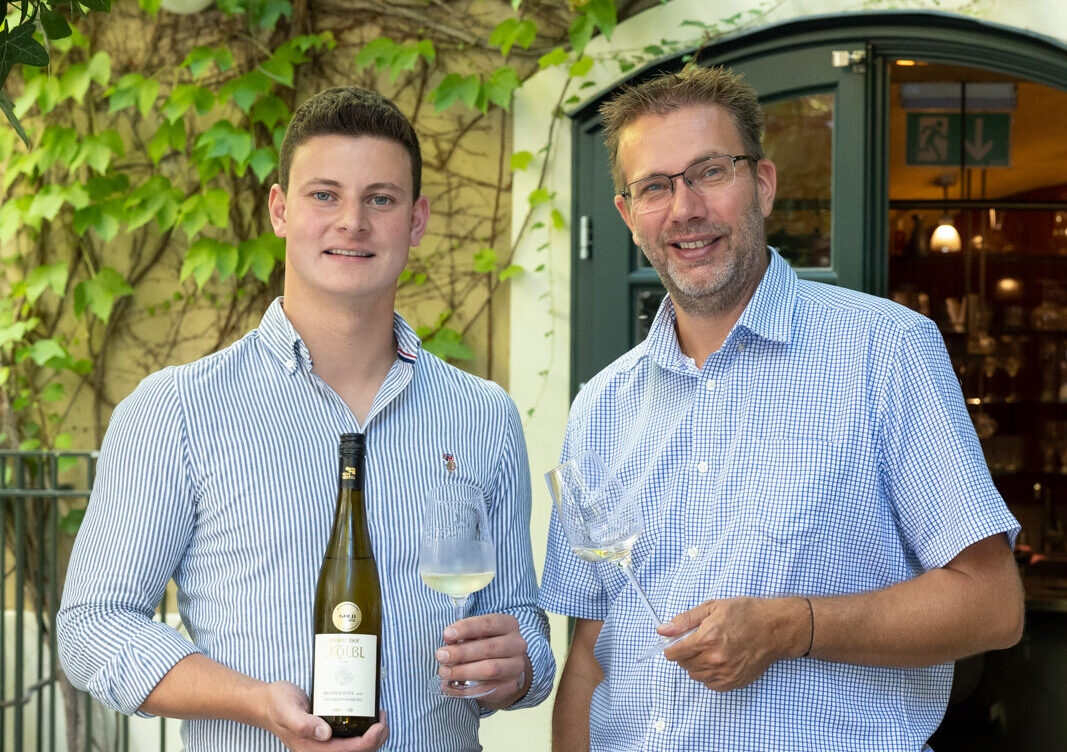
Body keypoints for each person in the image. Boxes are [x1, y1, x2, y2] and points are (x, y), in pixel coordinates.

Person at [539, 65, 1024, 752]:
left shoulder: (884, 351)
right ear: (626, 215)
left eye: (709, 172)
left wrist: (791, 626)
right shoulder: (600, 407)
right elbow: (591, 648)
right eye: (653, 186)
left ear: (761, 183)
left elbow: (992, 605)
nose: (683, 209)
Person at [57, 86, 554, 752]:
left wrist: (515, 669)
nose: (352, 222)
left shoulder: (483, 416)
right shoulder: (176, 410)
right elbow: (93, 626)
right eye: (324, 195)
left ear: (415, 221)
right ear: (280, 210)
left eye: (380, 198)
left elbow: (520, 624)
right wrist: (253, 702)